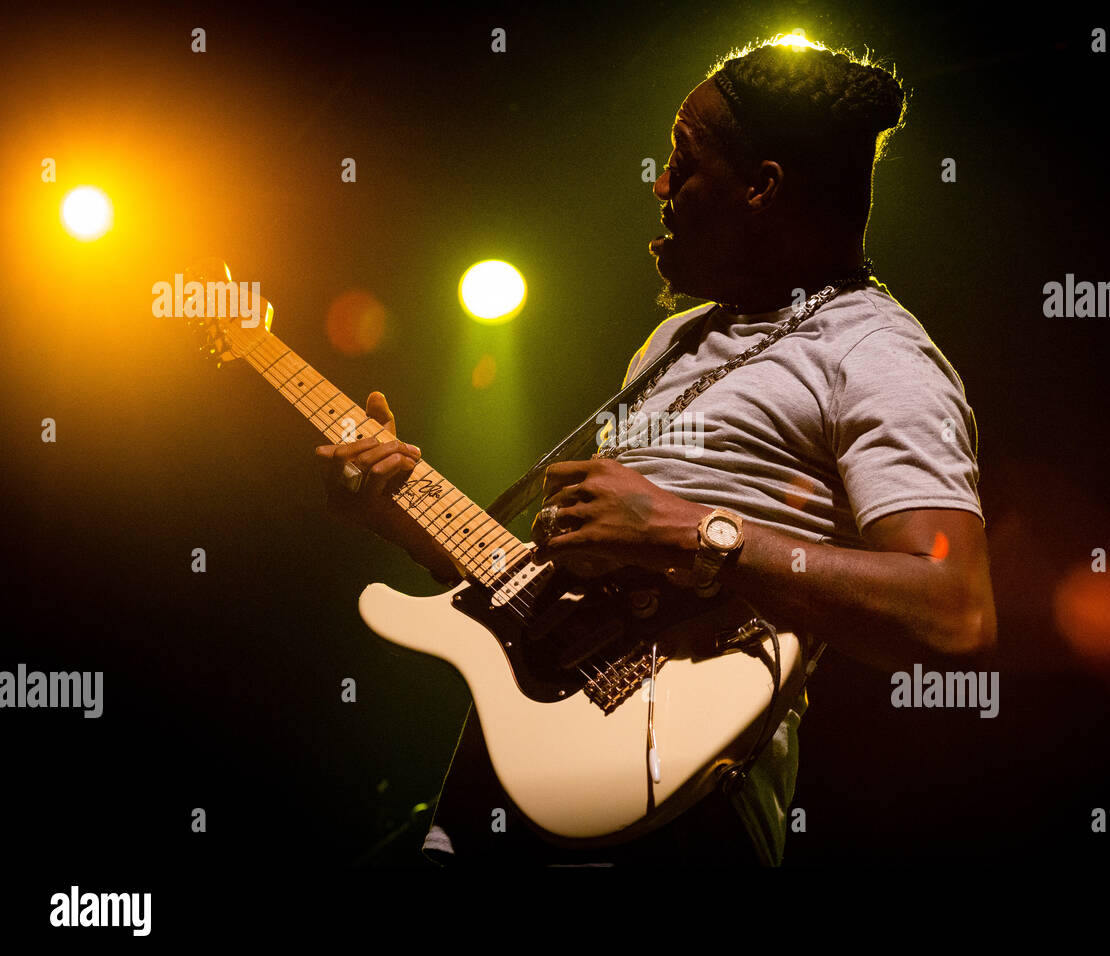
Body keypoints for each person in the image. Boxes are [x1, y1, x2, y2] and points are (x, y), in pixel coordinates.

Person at [315, 36, 996, 867]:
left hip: (679, 816)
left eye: (684, 159)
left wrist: (690, 533)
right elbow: (551, 594)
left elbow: (953, 611)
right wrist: (402, 513)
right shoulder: (673, 341)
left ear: (762, 187)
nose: (661, 183)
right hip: (492, 797)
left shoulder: (877, 353)